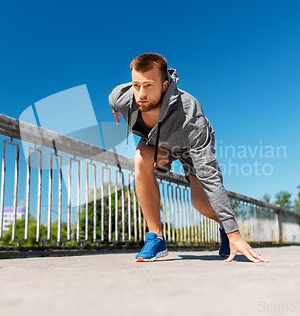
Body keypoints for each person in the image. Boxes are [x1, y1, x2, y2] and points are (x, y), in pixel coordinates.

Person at [108, 53, 268, 263]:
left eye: (148, 85)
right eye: (137, 85)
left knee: (200, 203)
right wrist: (116, 109)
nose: (141, 94)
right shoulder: (124, 98)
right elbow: (114, 97)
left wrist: (234, 233)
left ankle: (225, 231)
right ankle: (156, 239)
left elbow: (210, 176)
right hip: (159, 144)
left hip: (190, 145)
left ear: (165, 85)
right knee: (141, 158)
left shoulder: (190, 115)